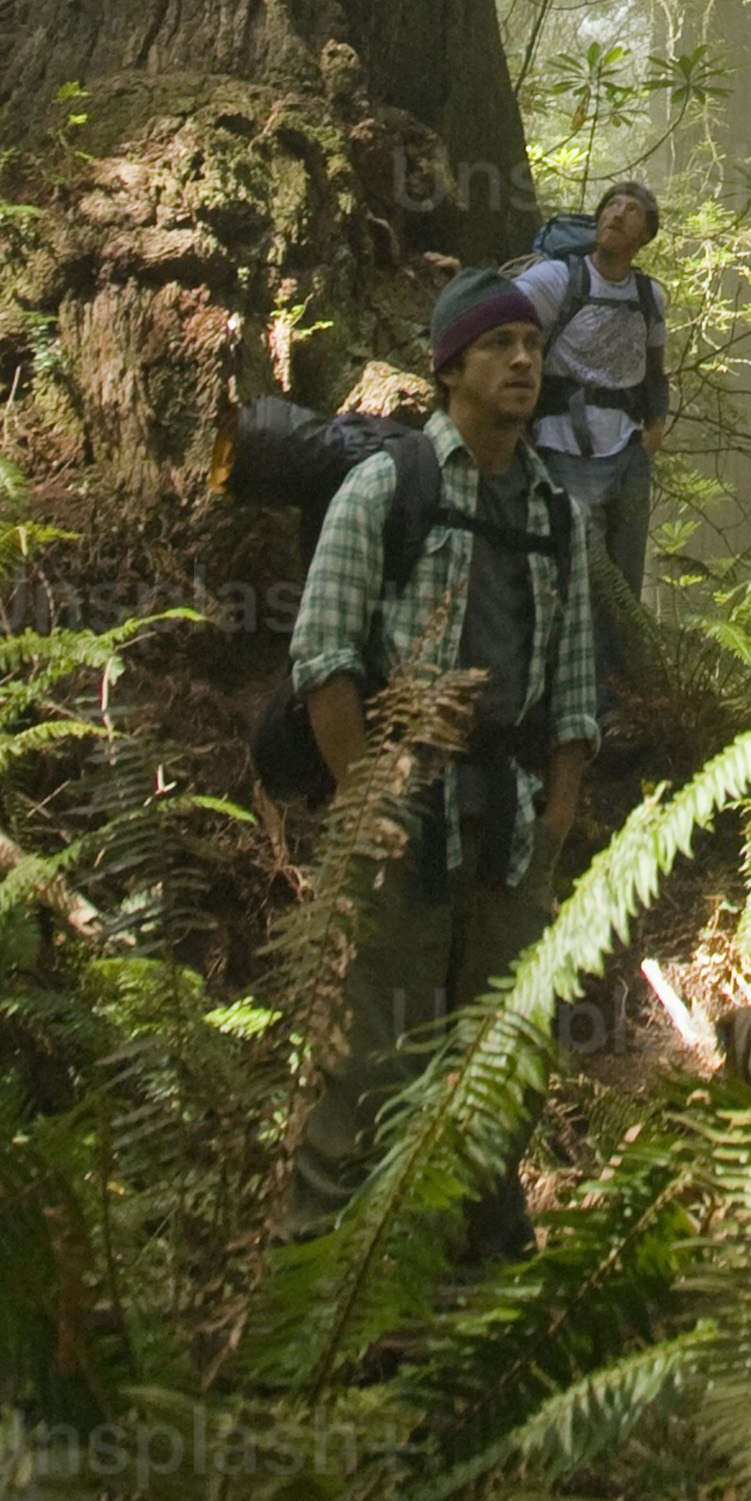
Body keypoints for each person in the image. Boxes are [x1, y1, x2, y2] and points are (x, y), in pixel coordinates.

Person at [286, 270, 603, 1241]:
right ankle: (324, 1265)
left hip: (510, 827)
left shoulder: (557, 513)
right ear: (449, 365)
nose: (522, 362)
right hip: (401, 813)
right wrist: (366, 797)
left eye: (532, 349)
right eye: (500, 346)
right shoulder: (388, 487)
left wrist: (555, 820)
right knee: (372, 1050)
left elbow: (577, 694)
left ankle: (467, 1257)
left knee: (499, 1050)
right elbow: (324, 655)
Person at [516, 177, 670, 602]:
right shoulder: (556, 279)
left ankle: (623, 667)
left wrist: (656, 425)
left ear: (646, 236)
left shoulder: (650, 297)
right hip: (564, 447)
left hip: (629, 453)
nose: (617, 214)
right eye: (611, 206)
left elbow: (655, 371)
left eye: (632, 210)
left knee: (625, 584)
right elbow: (497, 313)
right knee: (584, 579)